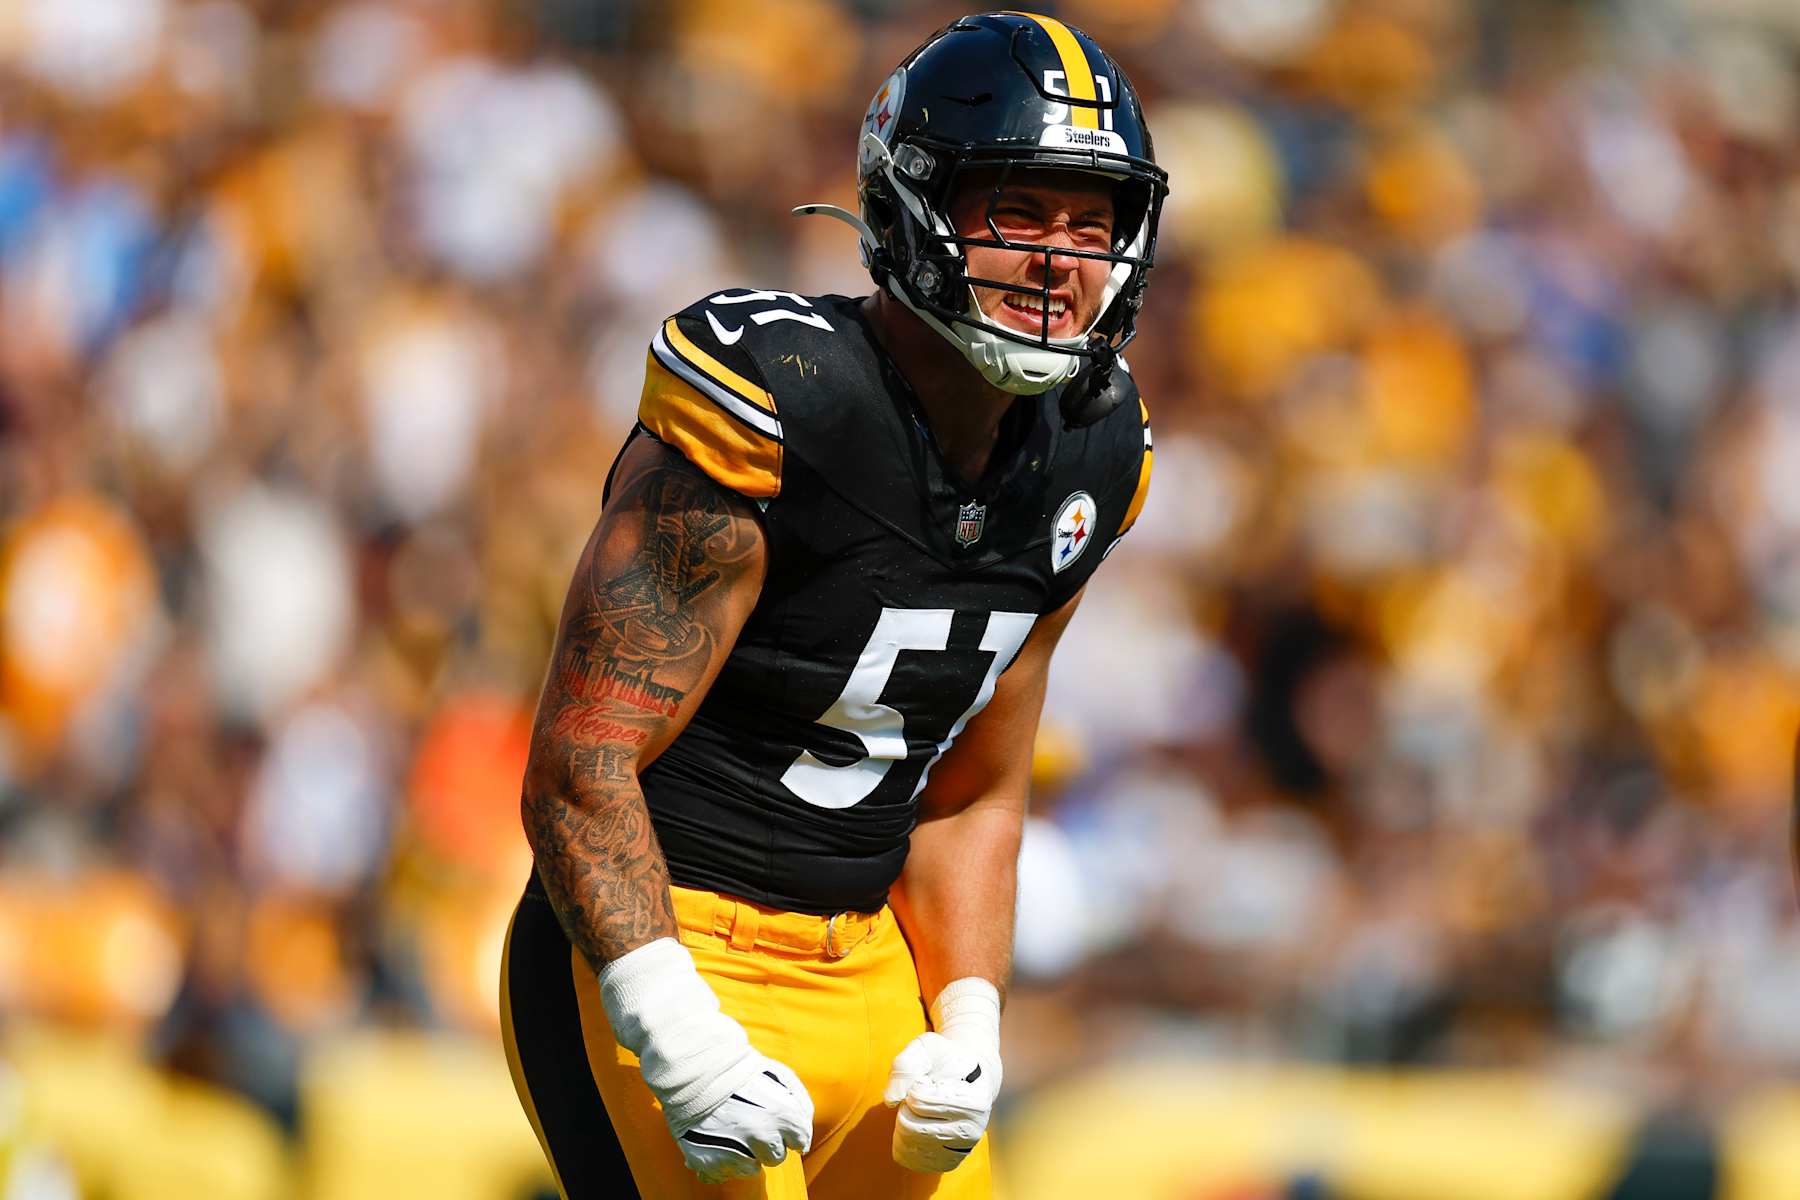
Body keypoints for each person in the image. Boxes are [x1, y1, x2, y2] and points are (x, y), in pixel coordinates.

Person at [500, 12, 1167, 1198]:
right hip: (667, 941)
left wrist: (968, 1022)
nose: (1062, 256)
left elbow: (972, 793)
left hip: (871, 969)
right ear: (916, 204)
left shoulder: (1089, 454)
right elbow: (579, 762)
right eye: (1019, 210)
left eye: (1094, 219)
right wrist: (672, 1022)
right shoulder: (790, 401)